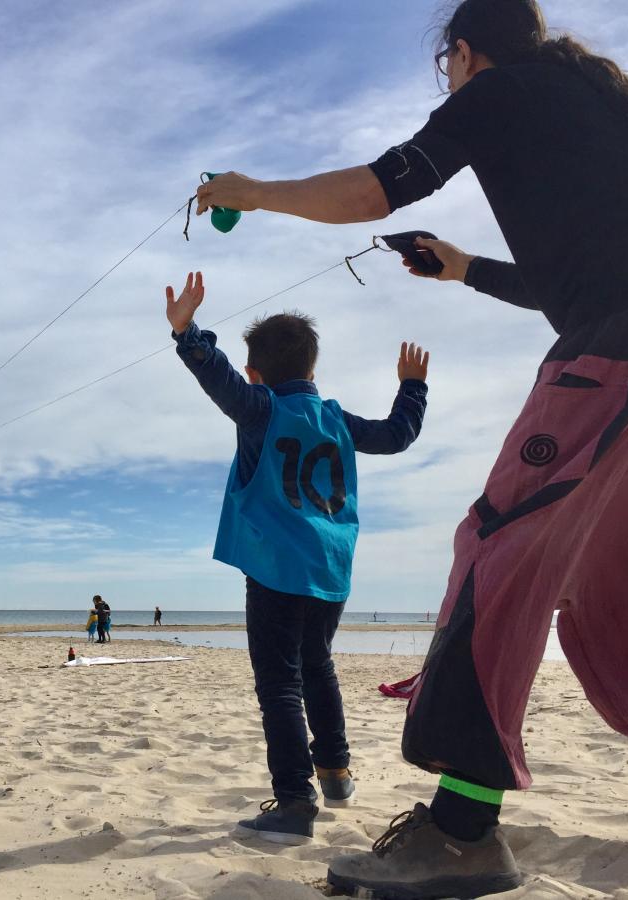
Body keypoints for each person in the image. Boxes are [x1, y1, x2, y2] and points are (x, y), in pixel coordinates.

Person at [196, 0, 628, 893]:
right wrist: (459, 267)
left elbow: (374, 188)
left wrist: (249, 191)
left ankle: (460, 829)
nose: (447, 77)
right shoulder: (594, 104)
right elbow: (579, 277)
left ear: (463, 53)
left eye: (446, 64)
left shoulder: (501, 90)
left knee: (502, 540)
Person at [166, 271, 428, 846]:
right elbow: (397, 434)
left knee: (281, 683)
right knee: (318, 666)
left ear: (258, 374)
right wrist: (412, 386)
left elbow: (221, 380)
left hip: (277, 568)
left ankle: (293, 802)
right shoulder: (335, 418)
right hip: (331, 569)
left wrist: (187, 332)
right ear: (314, 372)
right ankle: (335, 776)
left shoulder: (260, 408)